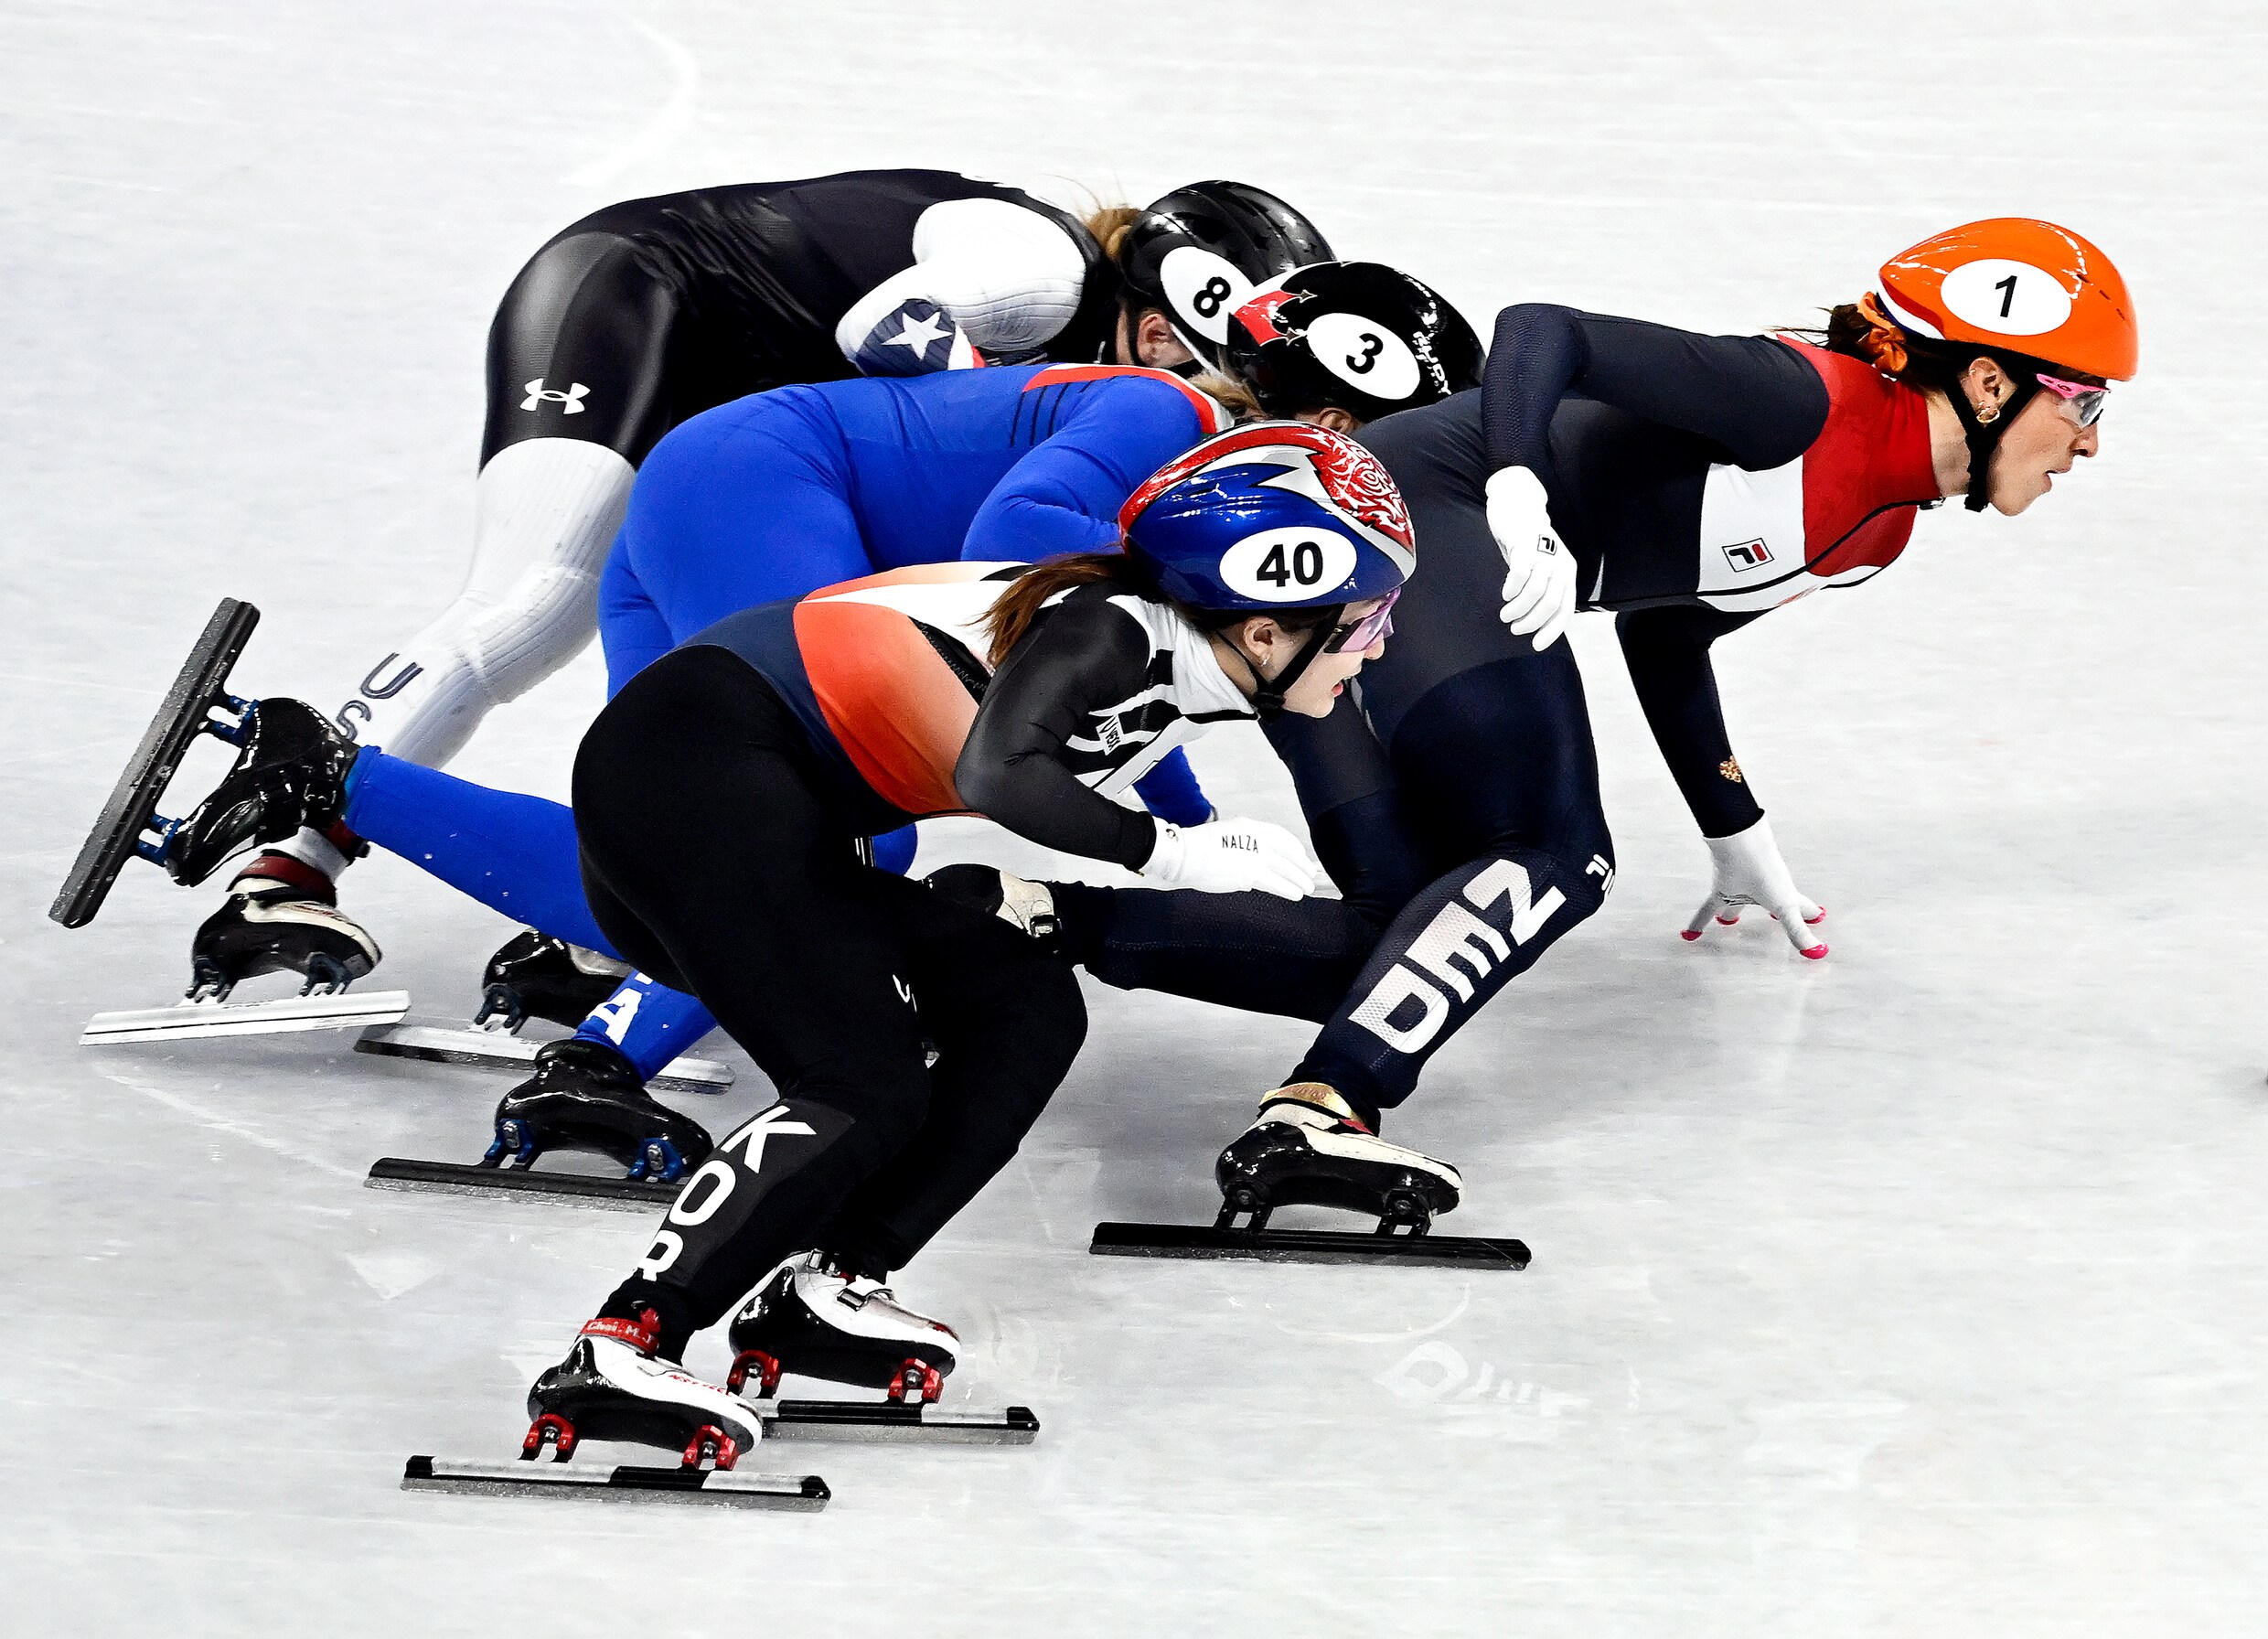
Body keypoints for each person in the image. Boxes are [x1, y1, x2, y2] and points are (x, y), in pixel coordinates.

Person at [144, 422, 1410, 1449]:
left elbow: (1008, 782)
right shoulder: (1110, 629)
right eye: (1362, 620)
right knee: (859, 1080)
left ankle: (826, 1288)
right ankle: (624, 1340)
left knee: (1022, 1004)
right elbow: (1000, 771)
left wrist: (1177, 847)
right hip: (703, 766)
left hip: (744, 792)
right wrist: (1175, 853)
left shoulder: (1164, 656)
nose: (1375, 645)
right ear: (1263, 619)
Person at [947, 221, 2137, 1227]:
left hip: (1371, 586)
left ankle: (1024, 918)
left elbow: (1666, 634)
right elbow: (1541, 330)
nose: (2088, 441)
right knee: (1557, 852)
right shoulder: (1802, 402)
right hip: (1414, 528)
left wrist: (1733, 825)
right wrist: (1516, 485)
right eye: (2081, 402)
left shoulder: (1875, 532)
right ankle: (1322, 1110)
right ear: (1990, 382)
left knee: (1391, 943)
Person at [189, 172, 1334, 1004]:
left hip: (745, 440)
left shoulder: (1118, 392)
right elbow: (886, 333)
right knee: (535, 607)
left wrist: (1192, 822)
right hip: (639, 304)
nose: (1224, 426)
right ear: (1155, 322)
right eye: (1228, 391)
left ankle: (588, 939)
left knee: (676, 822)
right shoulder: (1046, 270)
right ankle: (290, 852)